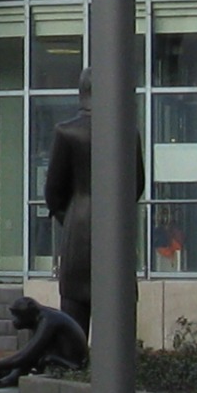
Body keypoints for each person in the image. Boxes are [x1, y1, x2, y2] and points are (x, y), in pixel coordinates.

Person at [43, 68, 146, 337]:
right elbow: (137, 184)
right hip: (114, 229)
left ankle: (72, 369)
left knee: (74, 312)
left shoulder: (67, 132)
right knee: (116, 319)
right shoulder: (127, 132)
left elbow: (53, 191)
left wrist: (70, 216)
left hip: (78, 225)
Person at [0, 296, 88, 387]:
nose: (14, 320)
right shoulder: (43, 317)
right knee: (34, 354)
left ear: (29, 312)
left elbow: (25, 356)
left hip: (72, 365)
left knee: (33, 356)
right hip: (61, 358)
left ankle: (6, 381)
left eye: (17, 315)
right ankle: (4, 375)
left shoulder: (48, 321)